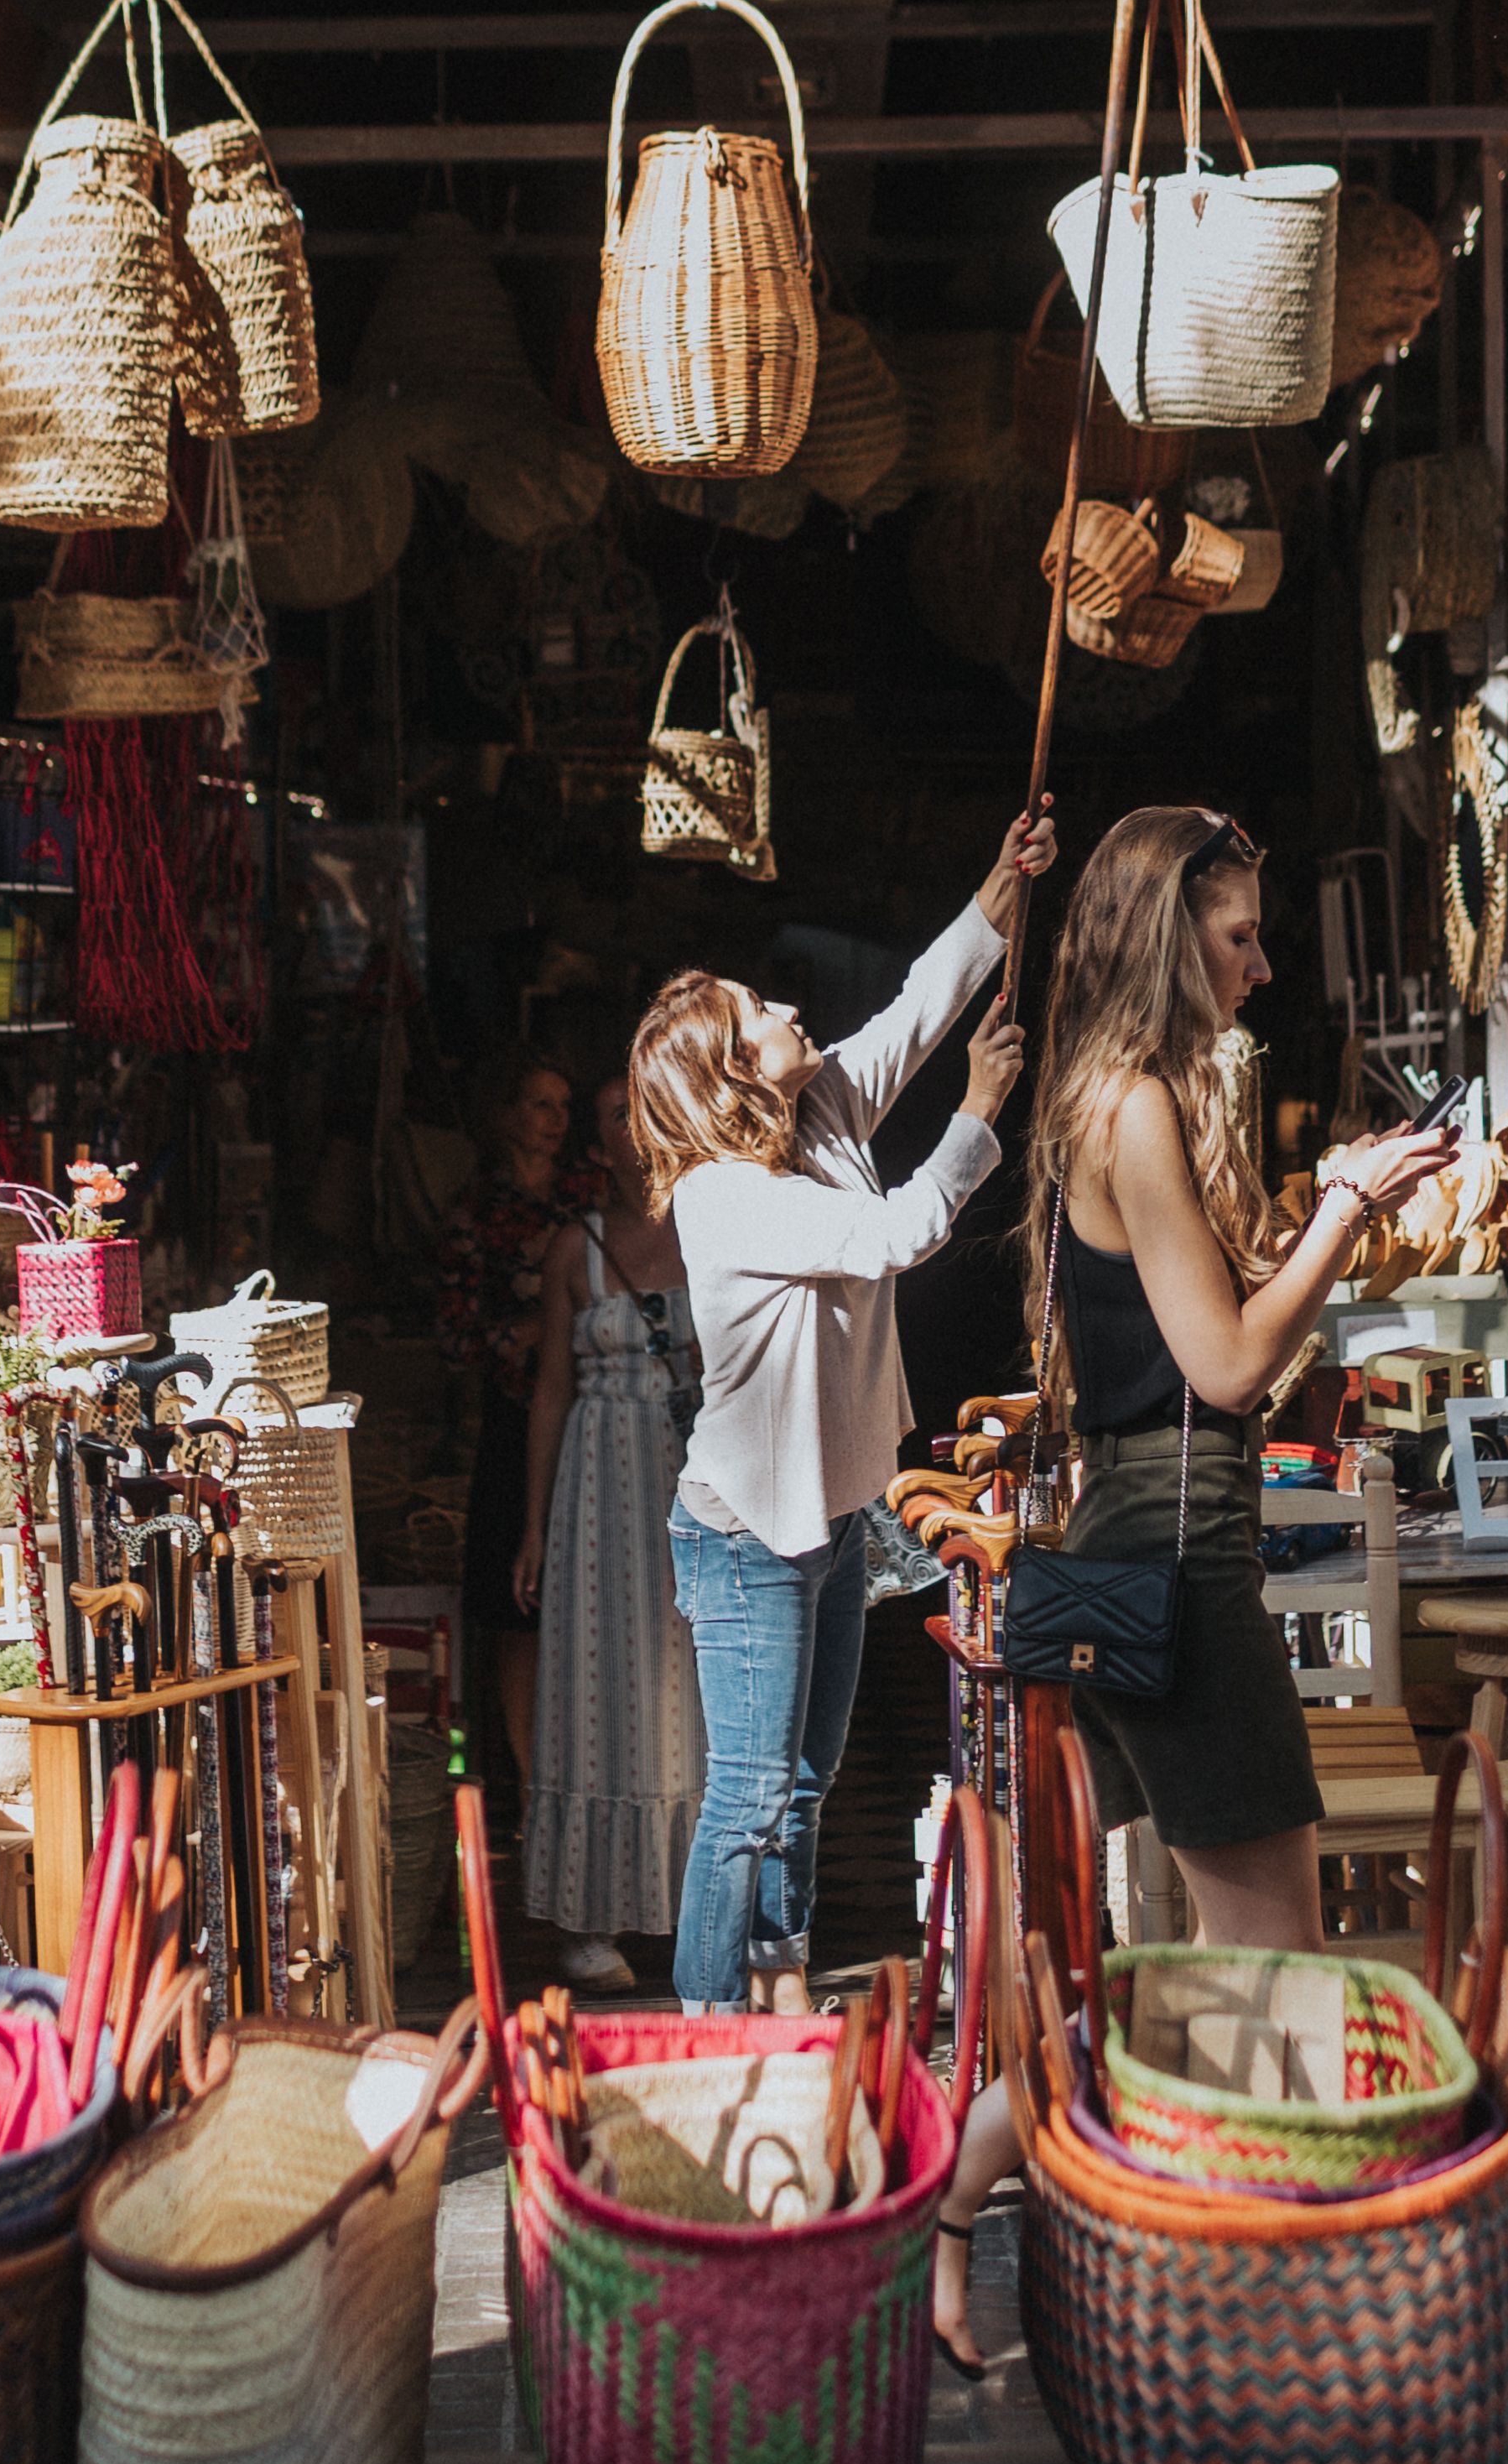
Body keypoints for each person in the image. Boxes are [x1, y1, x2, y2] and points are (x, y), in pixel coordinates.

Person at [929, 805, 1453, 2365]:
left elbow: (1194, 1354)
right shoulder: (1135, 1109)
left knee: (1240, 1969)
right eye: (1238, 934)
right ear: (1170, 936)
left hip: (1171, 1557)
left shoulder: (1124, 1100)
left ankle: (1011, 2222)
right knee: (1268, 1973)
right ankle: (1018, 2222)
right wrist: (1346, 1215)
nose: (1264, 962)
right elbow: (1226, 1363)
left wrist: (1324, 1221)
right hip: (1179, 1571)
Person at [632, 801, 1058, 2013]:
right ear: (727, 1072)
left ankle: (780, 1996)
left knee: (806, 1783)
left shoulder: (815, 1116)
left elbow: (924, 1005)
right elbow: (899, 1235)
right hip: (746, 1535)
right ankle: (713, 2034)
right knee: (753, 1796)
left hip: (821, 1523)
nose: (784, 1009)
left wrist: (1001, 880)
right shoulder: (721, 1196)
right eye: (754, 1015)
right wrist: (977, 1113)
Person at [512, 1075, 707, 1993]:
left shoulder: (719, 1230)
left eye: (640, 1110)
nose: (628, 1131)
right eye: (612, 1114)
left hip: (695, 1478)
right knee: (598, 1682)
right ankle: (591, 1918)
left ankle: (695, 1905)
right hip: (599, 1489)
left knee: (694, 1684)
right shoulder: (575, 1248)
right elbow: (551, 1388)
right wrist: (536, 1529)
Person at [433, 1052, 590, 1794]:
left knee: (589, 1599)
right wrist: (528, 1331)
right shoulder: (475, 1213)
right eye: (538, 1103)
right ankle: (532, 1781)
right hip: (511, 1420)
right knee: (514, 1606)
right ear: (505, 1116)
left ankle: (588, 1772)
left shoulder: (588, 1199)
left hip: (593, 1418)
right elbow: (456, 1336)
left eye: (563, 1105)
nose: (554, 1120)